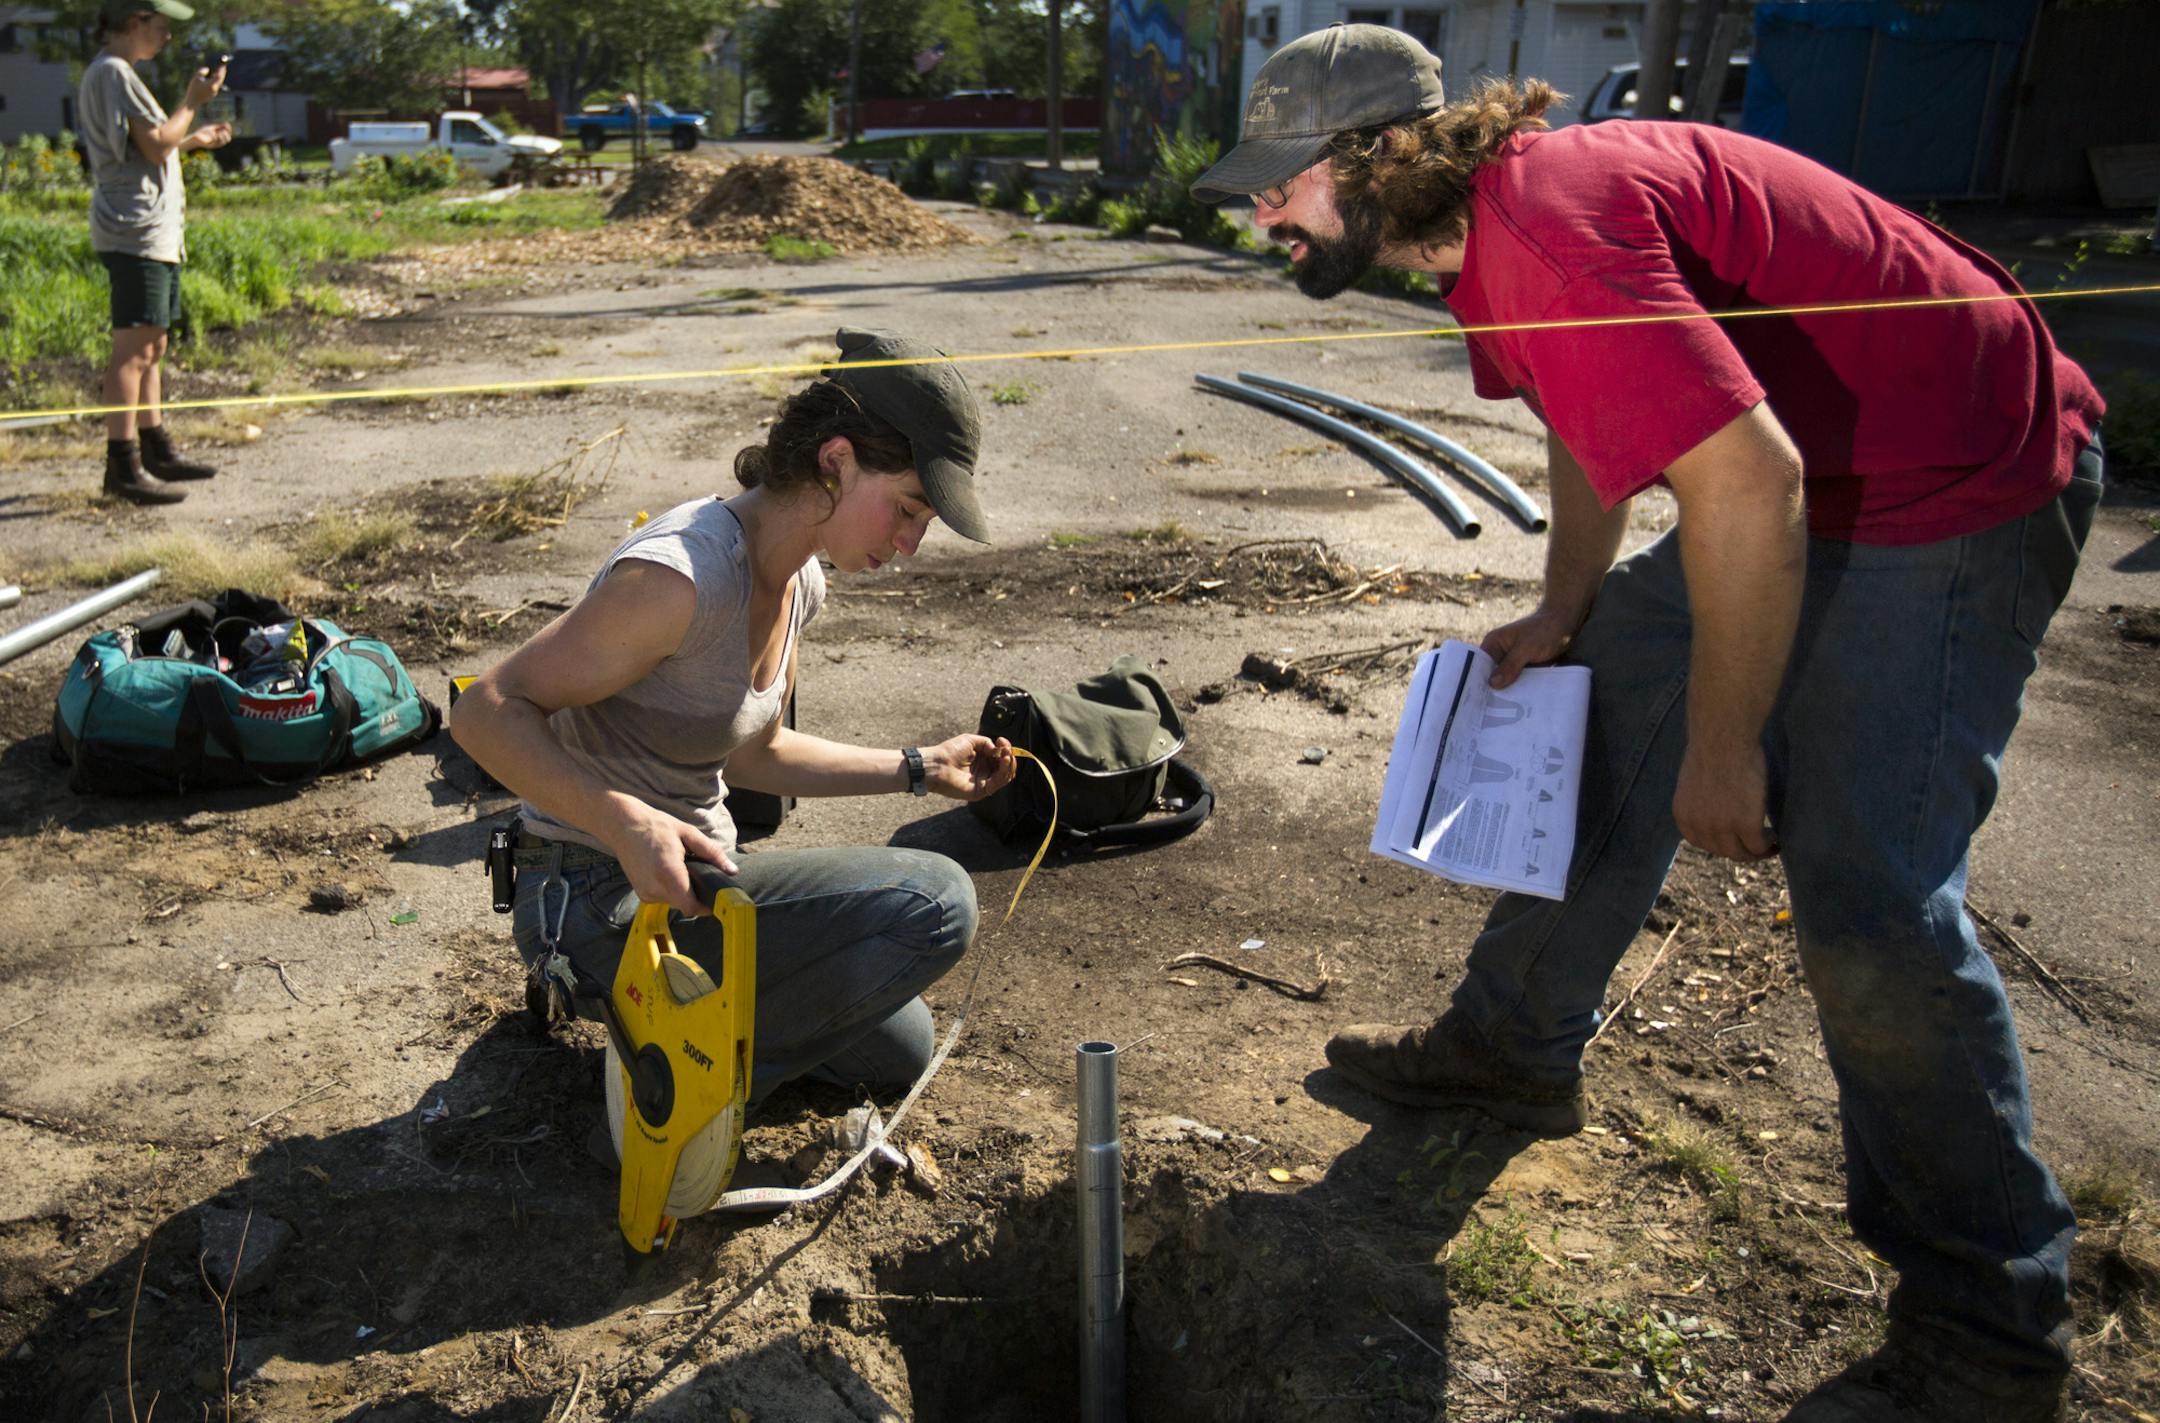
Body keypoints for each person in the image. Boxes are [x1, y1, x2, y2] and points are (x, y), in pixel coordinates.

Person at [1192, 24, 2103, 1423]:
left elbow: (1749, 486)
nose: (1262, 211)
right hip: (1815, 473)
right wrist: (1565, 604)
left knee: (1871, 905)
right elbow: (1589, 413)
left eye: (1284, 183)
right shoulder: (1483, 237)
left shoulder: (1550, 225)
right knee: (1606, 688)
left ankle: (1991, 1331)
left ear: (1381, 156)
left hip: (1951, 486)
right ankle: (1512, 1047)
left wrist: (1732, 744)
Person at [451, 328, 1016, 1125]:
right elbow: (483, 710)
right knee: (940, 903)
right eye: (909, 508)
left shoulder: (800, 581)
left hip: (692, 883)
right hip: (589, 890)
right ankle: (672, 1098)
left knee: (898, 1045)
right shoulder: (682, 577)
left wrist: (921, 766)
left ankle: (672, 1042)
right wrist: (623, 818)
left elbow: (757, 751)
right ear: (836, 461)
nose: (911, 542)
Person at [78, 0, 231, 506]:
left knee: (153, 346)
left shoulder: (112, 73)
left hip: (149, 230)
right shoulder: (116, 73)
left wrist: (191, 140)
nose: (167, 36)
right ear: (133, 22)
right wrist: (194, 101)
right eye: (161, 26)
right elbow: (156, 146)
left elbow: (150, 144)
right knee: (133, 350)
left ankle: (155, 447)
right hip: (135, 230)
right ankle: (122, 466)